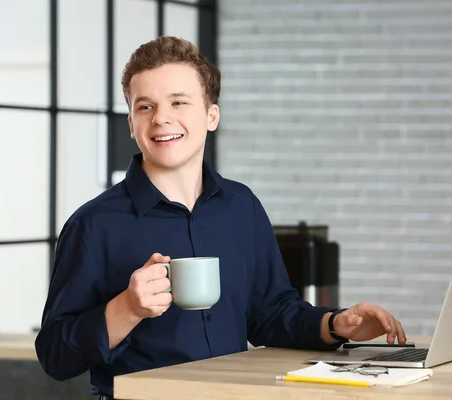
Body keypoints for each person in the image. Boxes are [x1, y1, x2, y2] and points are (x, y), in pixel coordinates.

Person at [35, 36, 407, 399]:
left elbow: (271, 315)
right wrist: (126, 309)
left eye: (178, 102)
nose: (161, 118)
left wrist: (336, 324)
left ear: (212, 116)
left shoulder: (241, 206)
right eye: (144, 107)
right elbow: (55, 356)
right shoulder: (93, 224)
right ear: (131, 124)